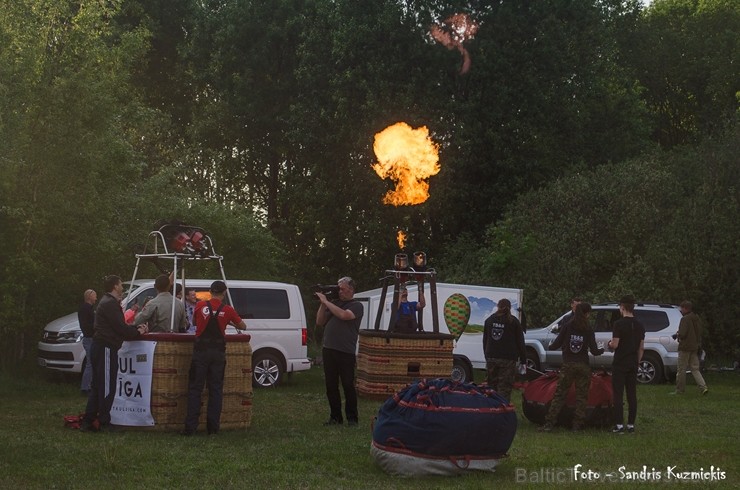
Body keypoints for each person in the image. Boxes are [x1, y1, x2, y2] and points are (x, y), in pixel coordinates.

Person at [81, 275, 148, 432]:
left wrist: (132, 330)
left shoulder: (107, 303)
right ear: (114, 287)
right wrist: (137, 332)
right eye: (120, 285)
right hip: (105, 347)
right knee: (106, 386)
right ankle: (103, 422)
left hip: (101, 346)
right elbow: (120, 327)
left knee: (98, 385)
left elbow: (119, 326)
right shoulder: (110, 304)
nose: (122, 288)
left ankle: (89, 420)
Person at [182, 280, 246, 435]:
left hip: (201, 353)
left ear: (210, 292)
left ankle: (190, 428)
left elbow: (195, 322)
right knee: (215, 390)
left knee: (196, 389)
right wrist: (229, 321)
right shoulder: (228, 309)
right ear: (224, 293)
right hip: (218, 353)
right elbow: (243, 326)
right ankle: (213, 428)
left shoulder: (199, 306)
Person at [539, 303, 604, 432]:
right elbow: (595, 351)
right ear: (587, 314)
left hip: (568, 364)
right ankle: (577, 425)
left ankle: (549, 424)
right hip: (583, 365)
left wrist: (550, 347)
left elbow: (557, 343)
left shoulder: (567, 326)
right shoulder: (588, 329)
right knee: (581, 397)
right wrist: (601, 350)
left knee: (559, 395)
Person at [315, 276, 363, 426]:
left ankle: (352, 418)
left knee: (348, 385)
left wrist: (326, 302)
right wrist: (323, 305)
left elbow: (344, 315)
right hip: (329, 349)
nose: (339, 292)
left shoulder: (357, 305)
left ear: (351, 290)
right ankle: (335, 417)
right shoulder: (334, 303)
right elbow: (319, 322)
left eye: (342, 289)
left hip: (345, 351)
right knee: (331, 385)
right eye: (338, 288)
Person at [608, 295, 645, 434]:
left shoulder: (618, 324)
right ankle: (630, 424)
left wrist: (609, 344)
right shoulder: (640, 324)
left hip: (620, 363)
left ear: (622, 307)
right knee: (632, 394)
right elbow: (641, 347)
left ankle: (618, 425)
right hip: (633, 363)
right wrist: (638, 361)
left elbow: (615, 344)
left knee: (618, 394)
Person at [482, 298, 526, 402]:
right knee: (504, 388)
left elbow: (485, 340)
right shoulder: (514, 322)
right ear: (510, 308)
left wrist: (487, 355)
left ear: (497, 306)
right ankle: (502, 411)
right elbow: (520, 342)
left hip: (491, 357)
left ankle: (490, 409)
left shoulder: (489, 320)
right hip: (508, 359)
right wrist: (523, 360)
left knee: (491, 386)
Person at [671, 300, 708, 395]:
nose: (681, 310)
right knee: (695, 368)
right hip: (694, 346)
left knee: (681, 369)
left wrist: (677, 334)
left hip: (685, 347)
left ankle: (680, 390)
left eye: (681, 308)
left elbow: (683, 334)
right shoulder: (696, 318)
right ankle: (703, 387)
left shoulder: (685, 319)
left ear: (685, 308)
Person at [78, 289, 97, 395]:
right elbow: (86, 326)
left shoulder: (88, 309)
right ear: (89, 296)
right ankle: (85, 387)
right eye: (95, 296)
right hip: (89, 338)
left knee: (92, 362)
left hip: (90, 337)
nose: (96, 298)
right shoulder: (85, 309)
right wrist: (96, 328)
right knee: (90, 363)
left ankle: (90, 385)